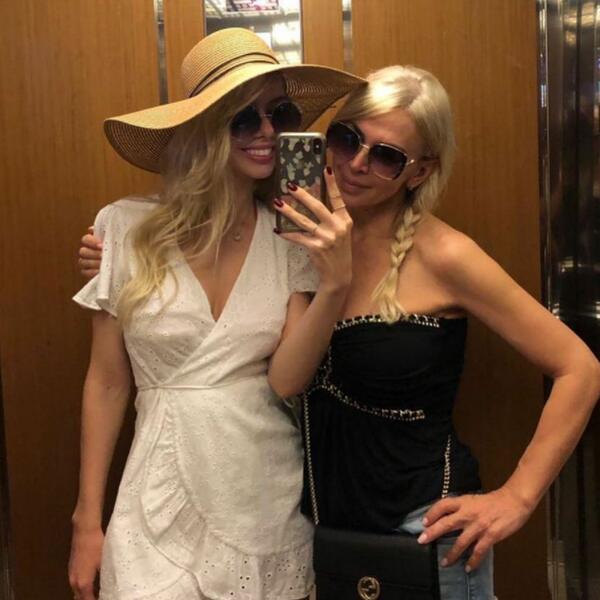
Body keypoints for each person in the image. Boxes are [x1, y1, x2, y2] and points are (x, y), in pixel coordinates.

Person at [78, 64, 600, 599]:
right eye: (347, 138)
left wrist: (518, 497)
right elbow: (275, 368)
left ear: (419, 172)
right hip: (321, 535)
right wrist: (117, 258)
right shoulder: (297, 234)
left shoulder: (444, 254)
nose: (356, 163)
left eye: (386, 156)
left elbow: (579, 367)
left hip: (423, 531)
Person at [69, 28, 363, 600]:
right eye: (244, 119)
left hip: (263, 500)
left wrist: (335, 283)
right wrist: (86, 519)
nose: (268, 132)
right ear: (203, 129)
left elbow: (287, 381)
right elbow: (106, 382)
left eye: (279, 114)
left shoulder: (290, 239)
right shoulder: (123, 228)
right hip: (154, 496)